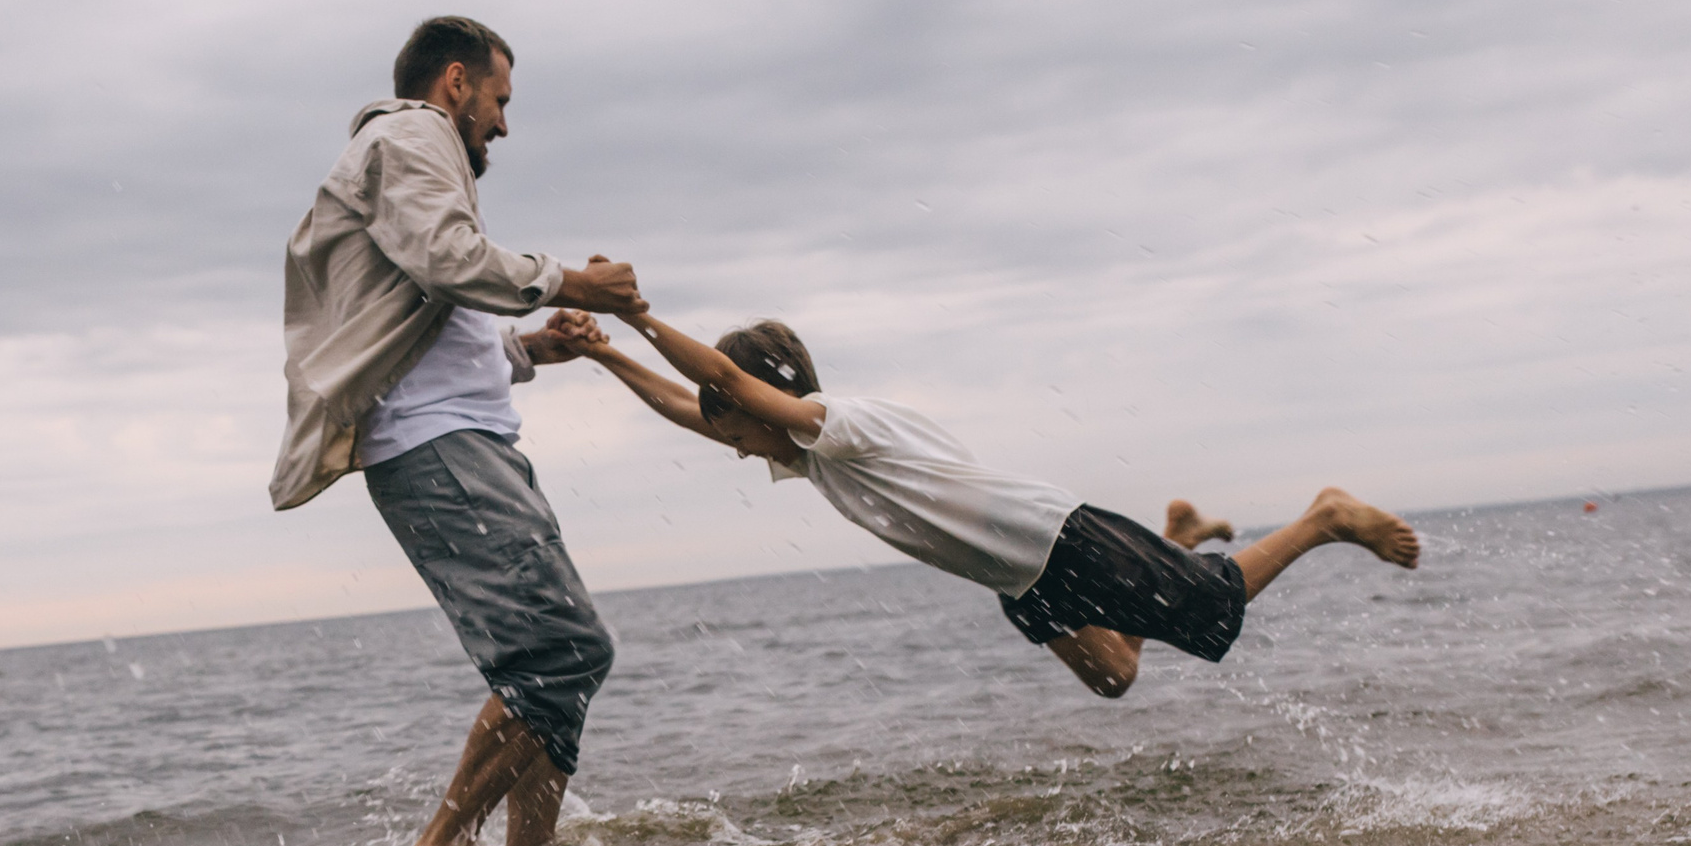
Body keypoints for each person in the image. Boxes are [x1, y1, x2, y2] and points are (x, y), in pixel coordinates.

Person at [579, 300, 1419, 696]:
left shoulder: (839, 424)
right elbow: (696, 408)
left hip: (1057, 537)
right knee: (1115, 677)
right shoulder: (813, 459)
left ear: (764, 395)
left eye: (736, 419)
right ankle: (1177, 530)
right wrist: (607, 355)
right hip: (1020, 578)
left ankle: (1325, 517)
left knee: (1214, 606)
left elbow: (718, 384)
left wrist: (636, 314)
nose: (727, 438)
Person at [271, 16, 646, 846]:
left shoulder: (416, 157)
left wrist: (530, 348)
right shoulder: (411, 134)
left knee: (560, 664)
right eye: (499, 99)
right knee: (562, 650)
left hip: (468, 438)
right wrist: (572, 283)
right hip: (436, 447)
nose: (503, 124)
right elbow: (448, 257)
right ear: (455, 82)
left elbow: (429, 313)